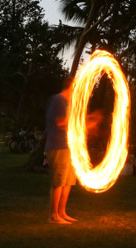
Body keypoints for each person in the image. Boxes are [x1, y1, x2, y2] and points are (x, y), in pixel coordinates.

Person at [44, 84, 101, 224]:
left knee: (68, 181)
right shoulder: (58, 100)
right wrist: (85, 121)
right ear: (72, 86)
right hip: (59, 146)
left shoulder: (69, 103)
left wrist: (89, 121)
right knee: (59, 181)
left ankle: (62, 212)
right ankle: (53, 215)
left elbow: (73, 123)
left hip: (70, 147)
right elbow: (61, 122)